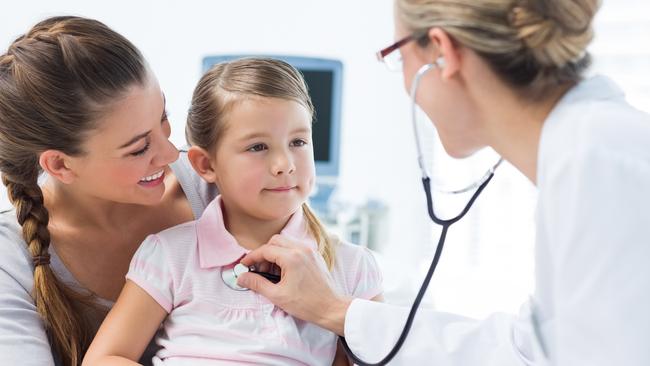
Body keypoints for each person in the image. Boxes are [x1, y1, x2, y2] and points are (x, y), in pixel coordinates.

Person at [236, 0, 650, 365]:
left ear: (440, 52)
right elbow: (527, 351)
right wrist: (335, 311)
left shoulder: (597, 164)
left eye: (397, 55)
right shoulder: (586, 151)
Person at [81, 58, 383, 365]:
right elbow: (105, 358)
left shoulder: (352, 267)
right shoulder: (170, 255)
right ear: (206, 165)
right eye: (258, 147)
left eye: (298, 141)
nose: (285, 164)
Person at [0, 16, 217, 365]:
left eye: (164, 117)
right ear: (61, 165)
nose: (170, 152)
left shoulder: (216, 190)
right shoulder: (11, 262)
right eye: (138, 148)